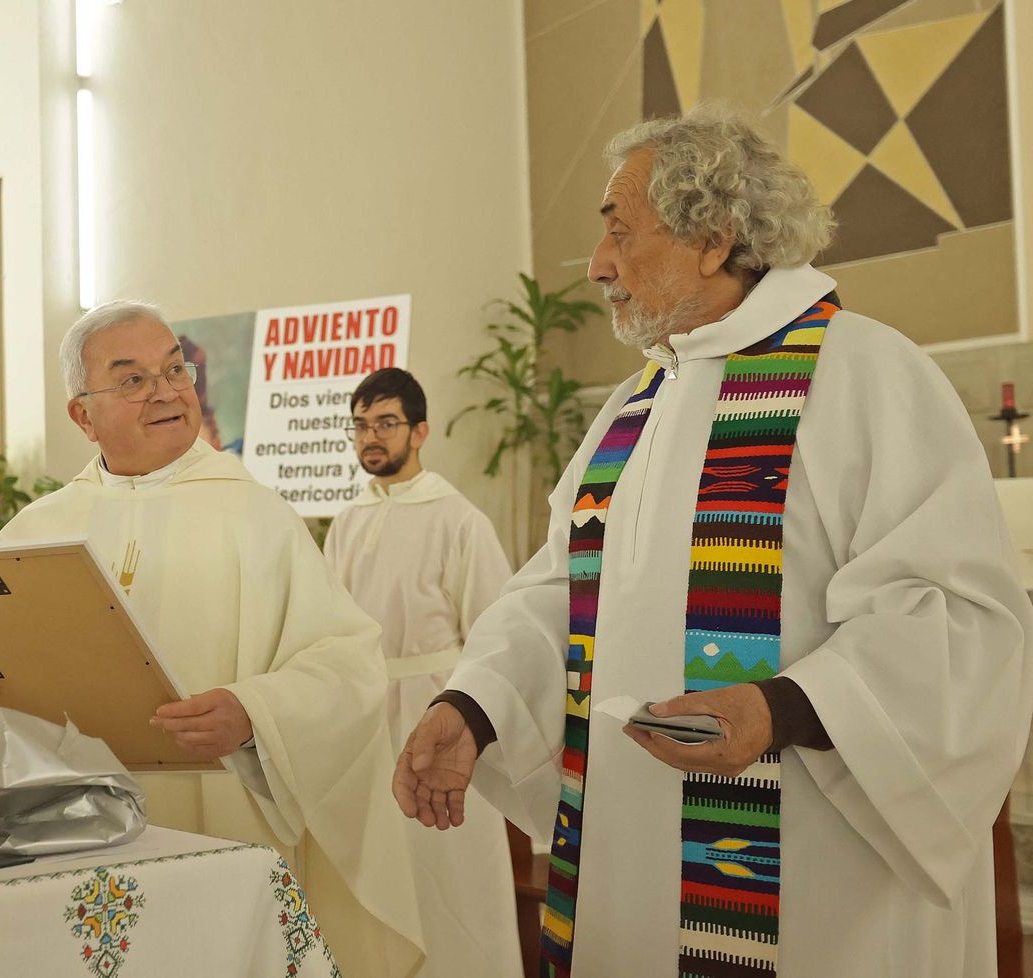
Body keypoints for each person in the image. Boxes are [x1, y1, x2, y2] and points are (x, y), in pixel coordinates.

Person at [392, 104, 1033, 978]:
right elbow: (561, 593)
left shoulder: (866, 375)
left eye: (621, 231)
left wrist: (780, 709)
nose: (599, 265)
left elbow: (958, 619)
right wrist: (471, 708)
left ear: (713, 235)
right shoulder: (634, 407)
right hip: (630, 853)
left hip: (816, 871)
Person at [0, 300, 422, 977]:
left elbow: (348, 665)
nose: (166, 391)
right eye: (131, 379)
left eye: (174, 369)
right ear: (82, 414)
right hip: (65, 840)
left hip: (218, 835)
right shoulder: (36, 530)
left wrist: (254, 713)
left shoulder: (256, 517)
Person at [324, 366, 520, 978]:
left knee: (451, 873)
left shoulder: (459, 519)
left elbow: (495, 637)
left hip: (441, 715)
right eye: (360, 425)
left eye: (385, 423)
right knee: (379, 875)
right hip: (365, 719)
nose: (370, 438)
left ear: (420, 431)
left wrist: (464, 715)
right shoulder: (348, 520)